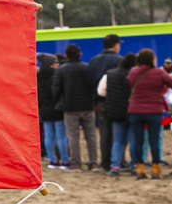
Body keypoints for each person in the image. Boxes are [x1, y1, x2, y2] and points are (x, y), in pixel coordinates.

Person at [126, 49, 172, 179]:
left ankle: (139, 169)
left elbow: (130, 83)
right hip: (154, 111)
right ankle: (155, 169)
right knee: (154, 140)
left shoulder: (133, 72)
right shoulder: (158, 72)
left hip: (135, 111)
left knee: (138, 141)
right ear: (152, 60)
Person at [52, 43, 99, 170]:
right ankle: (93, 162)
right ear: (80, 54)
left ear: (66, 56)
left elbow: (56, 89)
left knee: (73, 137)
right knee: (91, 136)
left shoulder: (61, 70)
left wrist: (59, 102)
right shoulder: (88, 68)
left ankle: (76, 164)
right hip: (88, 106)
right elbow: (94, 86)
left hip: (70, 107)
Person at [98, 52, 137, 175]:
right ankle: (134, 166)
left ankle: (115, 165)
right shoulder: (135, 75)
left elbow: (101, 92)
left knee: (118, 140)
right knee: (133, 139)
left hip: (115, 111)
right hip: (132, 110)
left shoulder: (109, 74)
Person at [88, 34, 123, 165]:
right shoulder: (119, 60)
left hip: (100, 102)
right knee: (118, 134)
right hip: (116, 102)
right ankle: (117, 161)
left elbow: (89, 80)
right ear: (116, 45)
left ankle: (105, 162)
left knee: (104, 133)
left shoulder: (93, 60)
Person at [36, 54, 69, 169]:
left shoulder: (39, 77)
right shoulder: (56, 75)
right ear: (51, 65)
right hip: (57, 108)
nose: (58, 64)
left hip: (44, 109)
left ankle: (52, 159)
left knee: (48, 135)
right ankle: (64, 160)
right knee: (61, 136)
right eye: (56, 63)